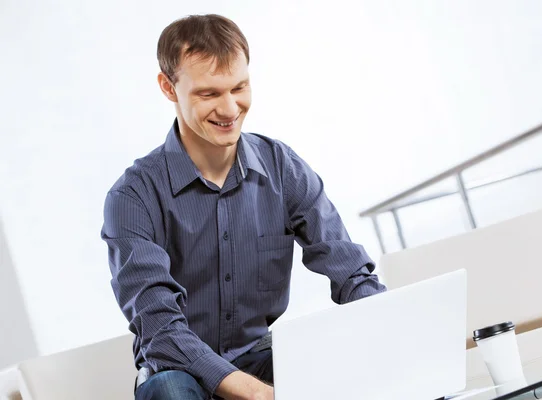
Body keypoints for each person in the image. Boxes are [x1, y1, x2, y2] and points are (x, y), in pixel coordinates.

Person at [101, 14, 387, 400]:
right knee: (169, 390)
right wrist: (256, 394)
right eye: (209, 94)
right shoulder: (132, 197)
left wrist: (392, 328)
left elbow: (350, 270)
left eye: (240, 87)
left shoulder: (282, 167)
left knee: (348, 363)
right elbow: (162, 330)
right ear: (168, 87)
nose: (230, 108)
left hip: (260, 357)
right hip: (178, 371)